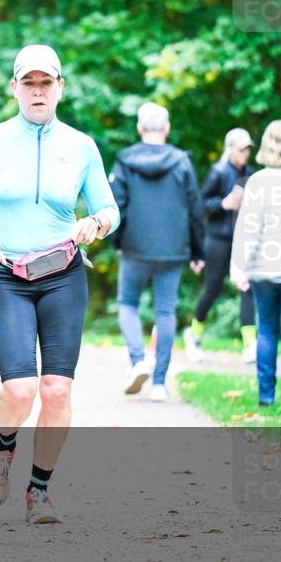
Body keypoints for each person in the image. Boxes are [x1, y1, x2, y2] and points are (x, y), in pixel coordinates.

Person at [0, 44, 119, 524]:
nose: (38, 91)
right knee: (22, 389)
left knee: (58, 390)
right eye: (29, 83)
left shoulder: (81, 146)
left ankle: (39, 491)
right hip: (4, 274)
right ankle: (3, 448)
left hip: (62, 273)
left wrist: (97, 224)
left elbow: (109, 207)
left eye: (47, 83)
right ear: (15, 89)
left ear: (61, 88)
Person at [108, 102, 205, 402]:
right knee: (166, 311)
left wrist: (119, 242)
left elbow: (116, 207)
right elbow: (195, 210)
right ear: (167, 128)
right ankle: (160, 383)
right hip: (173, 249)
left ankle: (138, 361)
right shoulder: (182, 162)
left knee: (127, 304)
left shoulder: (124, 161)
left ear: (139, 128)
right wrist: (196, 251)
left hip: (135, 247)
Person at [230, 119, 281, 406]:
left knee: (268, 330)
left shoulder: (258, 182)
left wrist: (239, 268)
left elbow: (248, 228)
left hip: (264, 270)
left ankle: (266, 397)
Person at [185, 128, 257, 362]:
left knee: (246, 287)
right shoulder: (218, 172)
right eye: (241, 149)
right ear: (230, 149)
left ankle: (250, 345)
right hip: (217, 239)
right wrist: (224, 203)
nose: (245, 153)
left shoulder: (251, 174)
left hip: (242, 238)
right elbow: (201, 204)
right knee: (212, 288)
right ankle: (194, 336)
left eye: (248, 149)